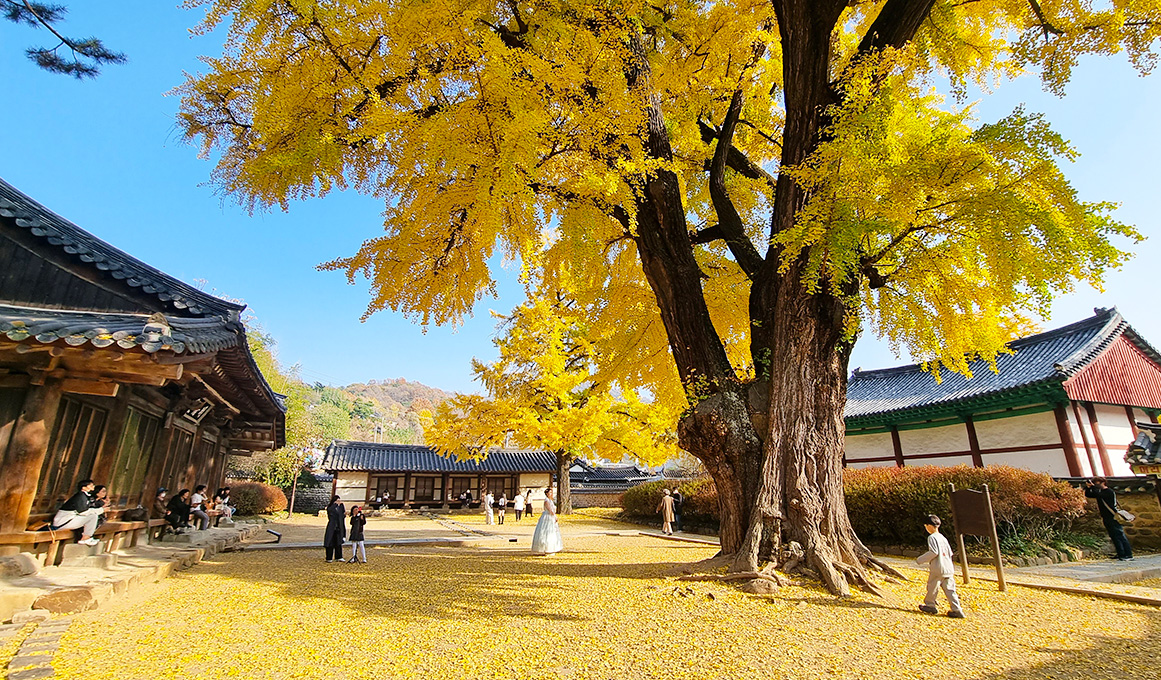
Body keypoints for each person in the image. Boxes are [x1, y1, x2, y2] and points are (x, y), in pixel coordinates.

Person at [916, 514, 965, 619]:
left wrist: (920, 559)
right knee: (950, 589)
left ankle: (930, 605)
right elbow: (950, 553)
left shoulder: (932, 537)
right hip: (948, 568)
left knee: (932, 586)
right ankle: (957, 609)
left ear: (929, 526)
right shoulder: (943, 537)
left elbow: (934, 552)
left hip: (938, 567)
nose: (926, 528)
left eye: (926, 526)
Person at [1085, 477, 1133, 561]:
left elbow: (1098, 494)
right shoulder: (1100, 492)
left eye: (1097, 483)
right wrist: (1088, 488)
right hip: (1106, 516)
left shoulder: (1109, 492)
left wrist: (1093, 487)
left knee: (1119, 535)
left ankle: (1128, 554)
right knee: (1113, 536)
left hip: (1113, 516)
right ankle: (1120, 553)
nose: (1095, 485)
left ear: (1103, 482)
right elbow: (1089, 495)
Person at [51, 479, 103, 546]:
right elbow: (83, 512)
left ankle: (86, 538)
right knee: (93, 517)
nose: (93, 487)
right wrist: (101, 510)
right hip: (63, 522)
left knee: (92, 516)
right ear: (84, 488)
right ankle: (85, 538)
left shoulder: (84, 496)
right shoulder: (80, 496)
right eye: (90, 485)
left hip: (69, 520)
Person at [531, 487, 563, 555]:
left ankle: (552, 548)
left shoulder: (550, 500)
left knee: (553, 531)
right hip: (547, 517)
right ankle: (547, 548)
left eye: (551, 492)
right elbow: (550, 510)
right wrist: (554, 516)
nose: (551, 494)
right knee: (546, 531)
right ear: (547, 494)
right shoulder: (546, 501)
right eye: (550, 493)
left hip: (550, 517)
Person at [324, 495, 346, 562]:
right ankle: (329, 557)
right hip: (332, 526)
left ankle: (339, 556)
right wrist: (335, 505)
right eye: (337, 501)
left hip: (339, 527)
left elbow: (343, 515)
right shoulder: (331, 507)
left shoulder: (340, 507)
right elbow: (329, 510)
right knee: (330, 542)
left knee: (338, 542)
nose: (338, 502)